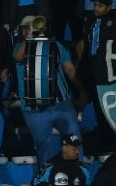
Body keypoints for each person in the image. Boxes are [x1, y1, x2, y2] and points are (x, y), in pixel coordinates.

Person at [13, 15, 81, 164]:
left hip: (61, 103)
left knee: (75, 141)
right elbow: (18, 57)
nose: (28, 30)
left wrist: (82, 90)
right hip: (34, 108)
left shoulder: (55, 45)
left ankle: (79, 174)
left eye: (31, 27)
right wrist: (29, 37)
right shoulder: (19, 47)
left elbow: (69, 69)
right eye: (25, 28)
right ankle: (47, 180)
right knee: (45, 146)